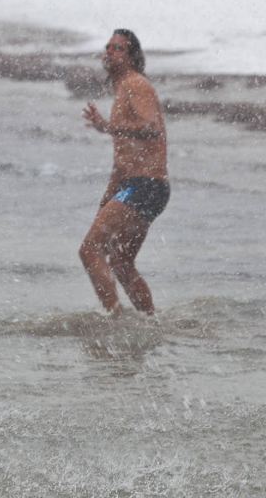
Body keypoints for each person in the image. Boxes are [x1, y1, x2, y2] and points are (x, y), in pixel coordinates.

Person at [80, 29, 169, 316]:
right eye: (108, 47)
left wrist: (107, 127)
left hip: (146, 184)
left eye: (118, 48)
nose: (110, 51)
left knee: (90, 249)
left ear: (132, 56)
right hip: (139, 186)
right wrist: (108, 195)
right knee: (120, 261)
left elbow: (151, 127)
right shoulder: (122, 91)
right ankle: (150, 321)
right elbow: (124, 156)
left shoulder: (136, 85)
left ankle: (114, 318)